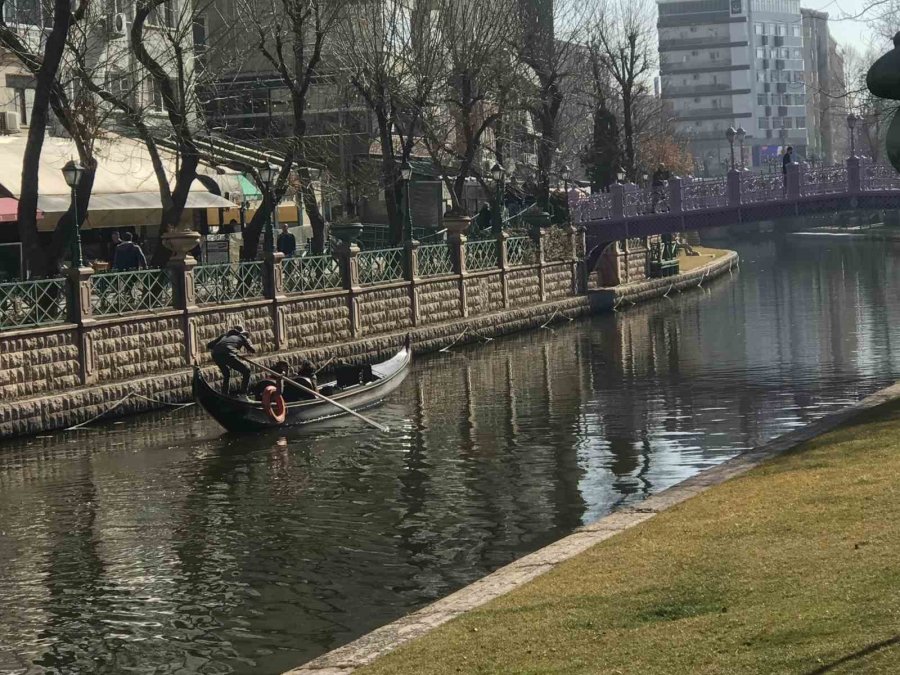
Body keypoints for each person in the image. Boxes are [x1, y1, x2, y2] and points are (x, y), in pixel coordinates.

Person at [207, 325, 256, 397]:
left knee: (226, 374)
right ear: (242, 333)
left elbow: (209, 345)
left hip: (215, 354)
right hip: (228, 354)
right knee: (247, 371)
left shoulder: (224, 335)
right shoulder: (241, 337)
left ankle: (224, 394)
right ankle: (243, 394)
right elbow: (252, 350)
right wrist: (248, 341)